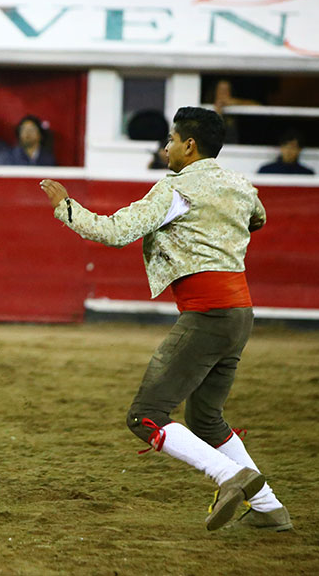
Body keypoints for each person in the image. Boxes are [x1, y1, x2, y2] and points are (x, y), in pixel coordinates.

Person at [39, 106, 291, 532]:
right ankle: (269, 508)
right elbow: (258, 218)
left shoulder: (176, 190)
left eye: (171, 140)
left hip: (207, 315)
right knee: (206, 419)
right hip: (239, 315)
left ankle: (229, 475)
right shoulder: (240, 184)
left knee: (146, 415)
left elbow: (116, 232)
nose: (165, 147)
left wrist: (67, 207)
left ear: (190, 146)